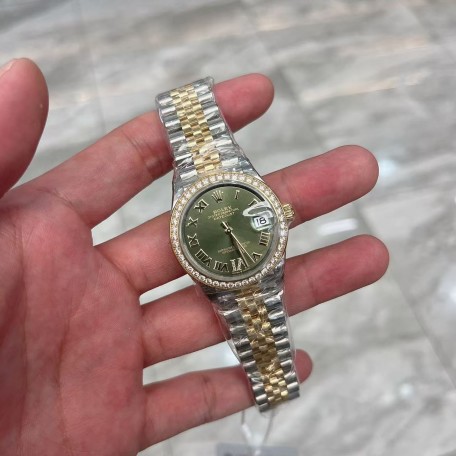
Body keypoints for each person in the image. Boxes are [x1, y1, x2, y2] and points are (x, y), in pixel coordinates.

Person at [0, 59, 388, 455]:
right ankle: (272, 383)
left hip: (250, 260)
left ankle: (274, 383)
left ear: (279, 215)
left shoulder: (252, 214)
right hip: (231, 264)